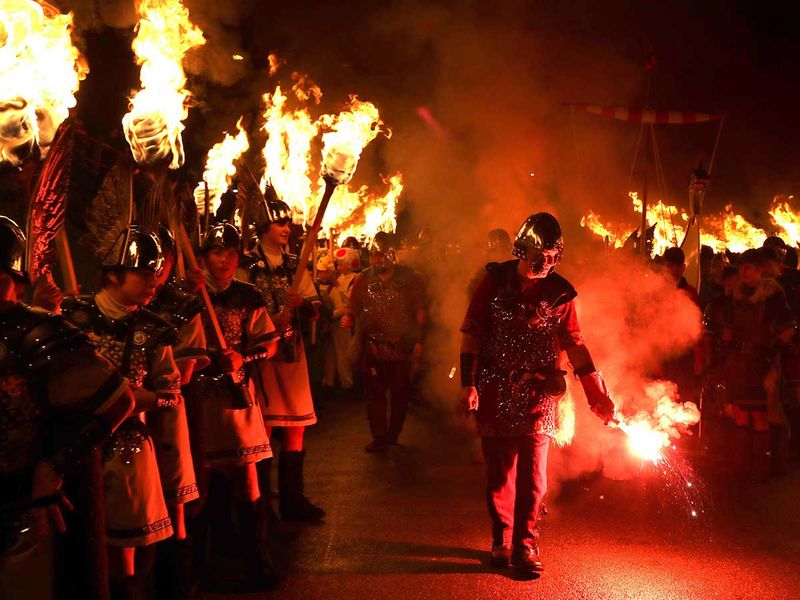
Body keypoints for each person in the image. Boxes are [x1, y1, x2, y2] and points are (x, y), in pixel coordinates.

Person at [459, 213, 616, 576]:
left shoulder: (560, 293)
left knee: (534, 476)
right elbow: (472, 333)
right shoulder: (494, 281)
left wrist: (596, 394)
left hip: (539, 393)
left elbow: (574, 344)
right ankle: (501, 541)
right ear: (522, 249)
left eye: (550, 257)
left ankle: (525, 544)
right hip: (496, 388)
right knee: (501, 475)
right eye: (537, 255)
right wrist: (468, 384)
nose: (542, 264)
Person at [0, 216, 134, 600]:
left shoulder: (38, 334)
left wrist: (54, 466)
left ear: (17, 282)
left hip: (22, 502)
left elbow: (116, 401)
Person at [62, 226, 182, 599]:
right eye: (144, 275)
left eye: (155, 275)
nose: (153, 284)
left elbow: (170, 392)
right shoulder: (67, 316)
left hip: (128, 446)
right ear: (115, 274)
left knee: (124, 552)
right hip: (73, 447)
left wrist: (135, 397)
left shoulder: (154, 328)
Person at [192, 221, 280, 591]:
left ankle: (257, 564)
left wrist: (242, 357)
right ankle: (200, 570)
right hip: (197, 400)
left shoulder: (248, 295)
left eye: (230, 253)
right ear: (203, 257)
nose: (224, 260)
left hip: (237, 398)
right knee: (201, 482)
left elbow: (269, 343)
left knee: (247, 480)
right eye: (216, 252)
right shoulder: (187, 298)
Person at [239, 194, 325, 522]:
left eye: (288, 222)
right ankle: (261, 507)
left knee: (296, 427)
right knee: (263, 430)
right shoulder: (246, 265)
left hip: (292, 356)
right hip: (260, 360)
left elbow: (317, 310)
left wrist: (301, 304)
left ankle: (293, 499)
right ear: (264, 225)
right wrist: (265, 321)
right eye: (279, 222)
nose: (286, 228)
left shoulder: (295, 264)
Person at [147, 227, 208, 599]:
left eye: (160, 259)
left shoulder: (181, 306)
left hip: (167, 413)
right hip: (124, 421)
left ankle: (179, 581)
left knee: (175, 498)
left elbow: (181, 373)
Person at [344, 232, 427, 452]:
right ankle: (379, 436)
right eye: (373, 255)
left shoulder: (409, 278)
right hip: (372, 345)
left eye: (380, 255)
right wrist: (348, 316)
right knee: (374, 395)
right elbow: (354, 305)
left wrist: (419, 339)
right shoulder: (364, 278)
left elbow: (419, 310)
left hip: (401, 345)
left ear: (391, 255)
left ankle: (393, 434)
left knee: (400, 393)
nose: (376, 260)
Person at [719, 248, 795, 480]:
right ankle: (741, 466)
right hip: (740, 364)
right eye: (741, 267)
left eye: (748, 267)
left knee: (762, 416)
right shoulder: (736, 296)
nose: (743, 271)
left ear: (759, 269)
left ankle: (763, 468)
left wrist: (771, 352)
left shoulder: (773, 295)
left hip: (763, 363)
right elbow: (729, 327)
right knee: (740, 413)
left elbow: (789, 328)